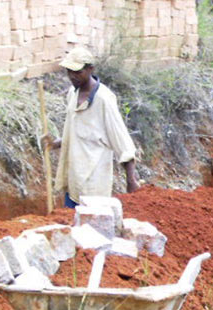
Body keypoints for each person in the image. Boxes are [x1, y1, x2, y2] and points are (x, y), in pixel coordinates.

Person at [42, 47, 140, 208]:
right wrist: (56, 143)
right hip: (74, 179)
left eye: (77, 72)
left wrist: (131, 181)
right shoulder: (72, 94)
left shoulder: (104, 99)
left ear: (90, 69)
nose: (72, 76)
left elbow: (122, 142)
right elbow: (76, 131)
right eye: (69, 71)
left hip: (94, 183)